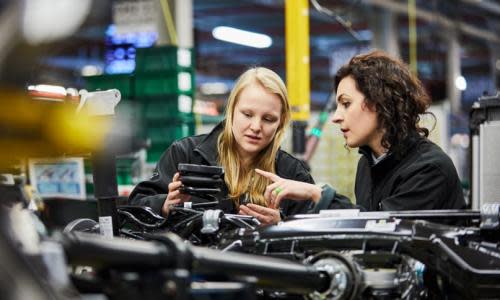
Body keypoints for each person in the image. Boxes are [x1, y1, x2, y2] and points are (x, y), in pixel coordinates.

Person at [256, 50, 465, 212]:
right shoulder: (367, 164)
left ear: (379, 101)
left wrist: (318, 194)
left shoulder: (429, 170)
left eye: (346, 104)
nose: (336, 116)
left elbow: (384, 233)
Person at [128, 67, 314, 225]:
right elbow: (132, 211)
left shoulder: (292, 174)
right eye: (247, 114)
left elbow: (316, 238)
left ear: (280, 124)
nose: (256, 127)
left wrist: (280, 227)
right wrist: (164, 206)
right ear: (232, 111)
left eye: (268, 119)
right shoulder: (185, 154)